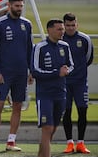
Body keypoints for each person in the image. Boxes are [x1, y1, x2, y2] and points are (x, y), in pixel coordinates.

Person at [0, 0, 33, 152]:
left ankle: (11, 141)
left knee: (17, 106)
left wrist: (31, 70)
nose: (19, 9)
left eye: (21, 6)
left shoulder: (26, 24)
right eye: (16, 6)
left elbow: (29, 49)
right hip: (4, 73)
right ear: (9, 6)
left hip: (21, 73)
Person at [31, 19, 74, 157]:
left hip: (61, 93)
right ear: (49, 30)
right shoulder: (40, 47)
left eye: (62, 29)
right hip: (45, 95)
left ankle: (41, 154)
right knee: (47, 127)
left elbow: (71, 65)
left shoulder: (65, 46)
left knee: (53, 128)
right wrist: (57, 73)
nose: (63, 31)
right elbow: (35, 71)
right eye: (59, 29)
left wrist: (67, 70)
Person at [62, 13, 94, 154]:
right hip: (64, 83)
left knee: (82, 111)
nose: (70, 28)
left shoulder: (85, 39)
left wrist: (78, 71)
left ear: (77, 24)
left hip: (80, 83)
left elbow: (89, 58)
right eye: (67, 25)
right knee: (66, 112)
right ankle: (69, 143)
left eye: (72, 25)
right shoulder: (60, 39)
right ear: (63, 25)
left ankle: (81, 143)